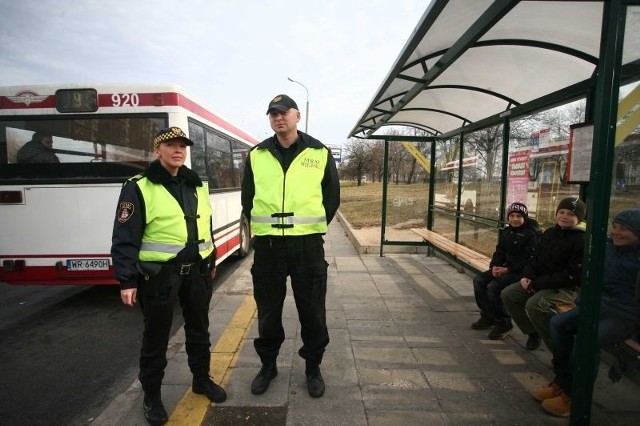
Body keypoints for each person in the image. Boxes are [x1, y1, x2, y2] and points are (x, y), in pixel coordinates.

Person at [111, 127, 226, 426]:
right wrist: (127, 280)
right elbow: (125, 237)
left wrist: (211, 259)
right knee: (156, 339)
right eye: (171, 145)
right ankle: (152, 397)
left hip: (197, 273)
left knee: (200, 331)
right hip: (160, 276)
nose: (178, 150)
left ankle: (201, 379)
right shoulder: (139, 186)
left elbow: (206, 226)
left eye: (182, 146)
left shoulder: (196, 184)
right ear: (157, 150)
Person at [241, 94, 340, 398]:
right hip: (269, 248)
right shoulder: (257, 154)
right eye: (272, 114)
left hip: (307, 246)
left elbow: (331, 198)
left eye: (283, 113)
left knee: (312, 311)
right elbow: (248, 197)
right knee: (268, 312)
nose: (278, 118)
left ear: (297, 116)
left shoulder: (319, 152)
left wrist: (307, 228)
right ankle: (268, 366)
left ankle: (313, 367)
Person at [531, 209, 640, 417]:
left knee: (586, 339)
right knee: (558, 324)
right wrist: (581, 302)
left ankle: (576, 397)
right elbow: (591, 278)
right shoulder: (608, 248)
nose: (616, 232)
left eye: (623, 229)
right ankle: (562, 382)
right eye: (615, 227)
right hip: (596, 306)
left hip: (624, 315)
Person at [501, 197, 587, 351]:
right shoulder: (550, 232)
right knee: (508, 294)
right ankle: (534, 332)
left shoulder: (581, 240)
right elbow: (535, 257)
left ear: (579, 218)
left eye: (571, 214)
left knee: (535, 304)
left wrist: (537, 284)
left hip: (566, 288)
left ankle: (560, 347)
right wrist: (526, 276)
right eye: (561, 212)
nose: (564, 216)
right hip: (540, 280)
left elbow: (571, 274)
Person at [471, 202, 540, 340]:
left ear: (524, 217)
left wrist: (507, 269)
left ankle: (504, 322)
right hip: (505, 269)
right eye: (512, 215)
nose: (515, 219)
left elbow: (528, 260)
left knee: (493, 287)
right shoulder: (506, 232)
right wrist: (494, 266)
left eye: (518, 216)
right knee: (478, 280)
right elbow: (499, 252)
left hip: (521, 272)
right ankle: (488, 315)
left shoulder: (531, 235)